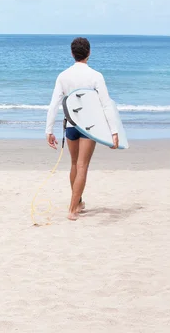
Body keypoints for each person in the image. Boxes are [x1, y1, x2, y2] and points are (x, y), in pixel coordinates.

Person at [45, 37, 119, 221]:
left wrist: (49, 130)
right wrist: (114, 131)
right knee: (82, 166)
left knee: (73, 164)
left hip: (70, 125)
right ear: (89, 52)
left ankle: (77, 202)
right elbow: (106, 105)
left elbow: (54, 104)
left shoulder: (63, 76)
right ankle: (72, 209)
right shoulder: (96, 76)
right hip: (89, 128)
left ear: (72, 53)